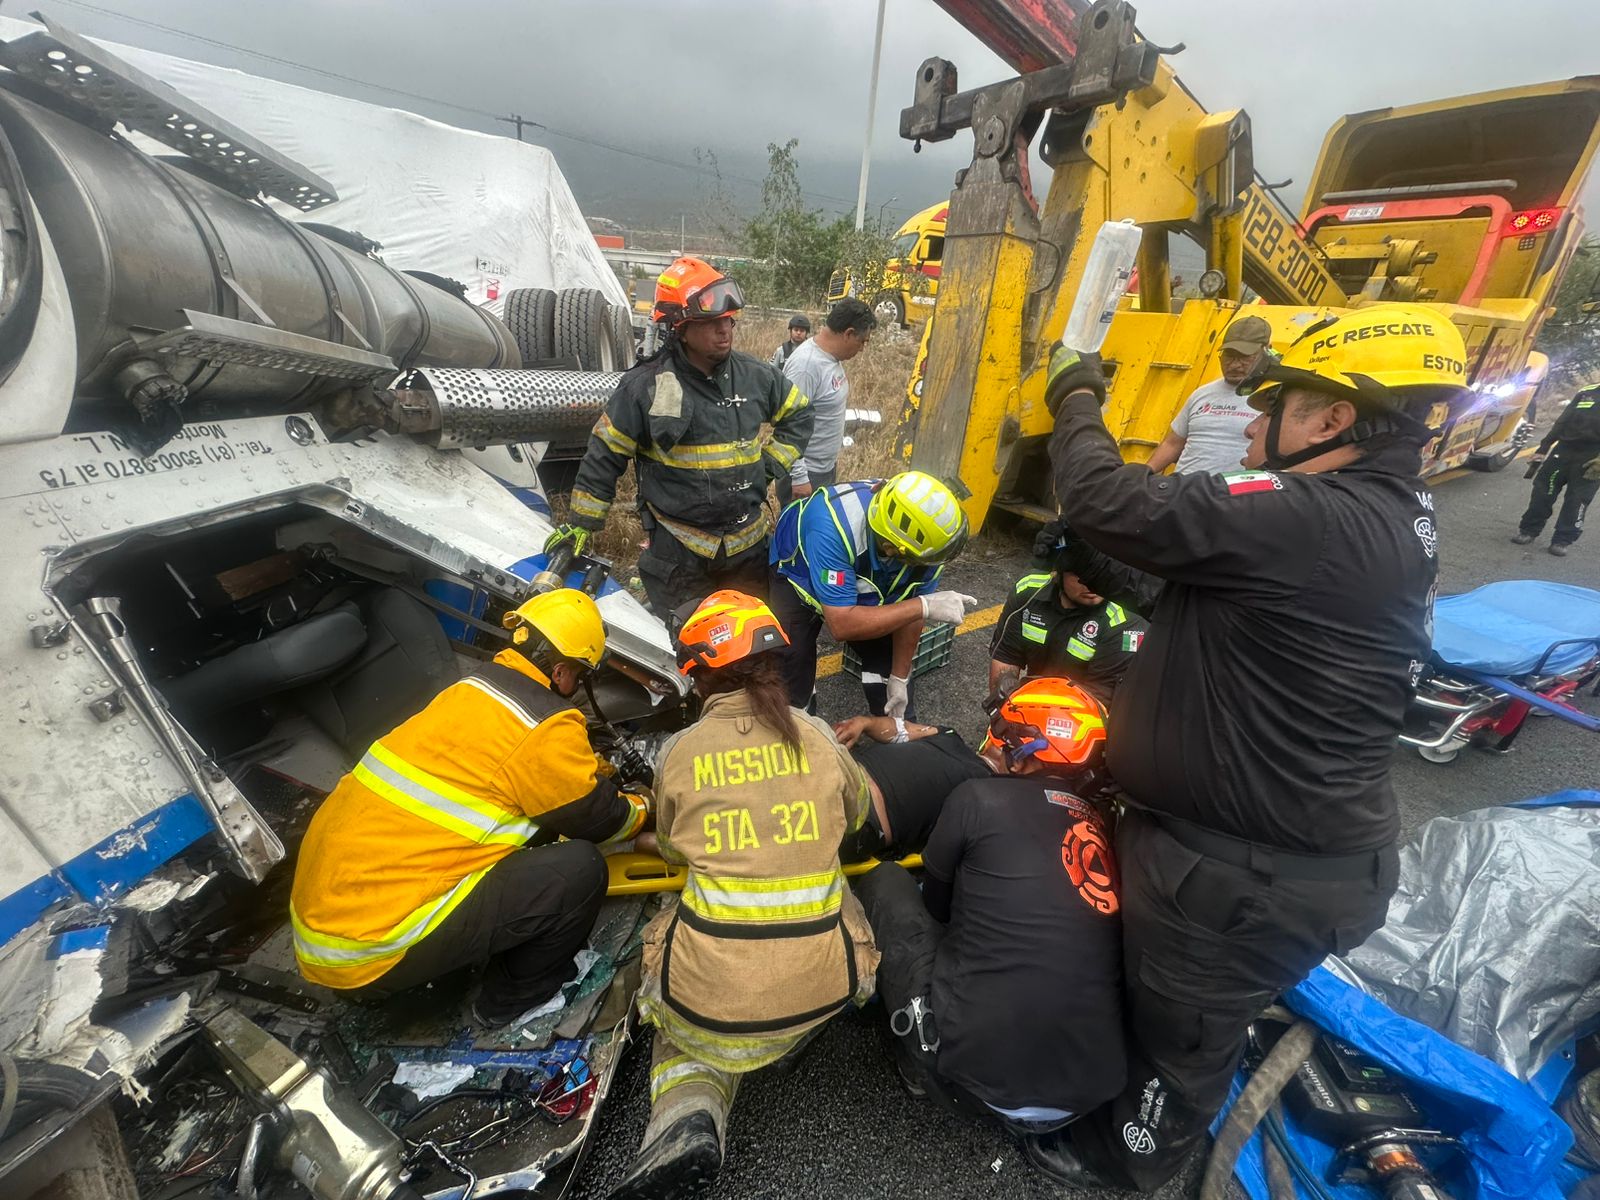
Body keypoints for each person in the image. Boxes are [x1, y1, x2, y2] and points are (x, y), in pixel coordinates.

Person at [1029, 303, 1463, 1190]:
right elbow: (1222, 616)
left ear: (1332, 420)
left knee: (1181, 1039)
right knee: (1172, 1003)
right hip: (1273, 854)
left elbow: (1108, 498)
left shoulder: (1311, 513)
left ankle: (1132, 1156)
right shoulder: (1386, 516)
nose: (1254, 427)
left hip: (1246, 880)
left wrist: (1075, 394)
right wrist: (1096, 563)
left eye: (1276, 410)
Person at [612, 591, 879, 1199]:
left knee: (675, 946)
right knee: (841, 892)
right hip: (828, 987)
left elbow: (675, 851)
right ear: (773, 662)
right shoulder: (815, 735)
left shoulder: (680, 753)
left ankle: (687, 1111)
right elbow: (859, 815)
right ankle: (787, 1038)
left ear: (697, 676)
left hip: (713, 1006)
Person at [290, 589, 651, 1025]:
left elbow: (514, 763)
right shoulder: (546, 727)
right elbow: (601, 819)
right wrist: (643, 805)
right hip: (372, 950)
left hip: (328, 929)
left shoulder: (471, 691)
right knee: (581, 869)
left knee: (534, 830)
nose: (578, 685)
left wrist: (593, 767)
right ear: (560, 671)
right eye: (580, 674)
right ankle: (507, 1003)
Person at [852, 679, 1125, 1142]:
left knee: (887, 880)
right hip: (1088, 1094)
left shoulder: (977, 798)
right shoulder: (1103, 830)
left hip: (973, 1079)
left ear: (1026, 751)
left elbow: (937, 909)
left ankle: (918, 1064)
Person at [546, 257, 813, 618]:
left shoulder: (756, 377)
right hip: (680, 555)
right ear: (680, 329)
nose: (724, 330)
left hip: (747, 550)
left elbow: (800, 415)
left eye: (728, 320)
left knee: (748, 639)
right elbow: (606, 452)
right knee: (690, 644)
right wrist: (582, 522)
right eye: (711, 322)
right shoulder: (645, 387)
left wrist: (766, 467)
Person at [768, 470, 975, 718]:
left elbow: (911, 611)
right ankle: (799, 723)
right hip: (797, 575)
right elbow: (841, 624)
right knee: (792, 672)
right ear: (891, 548)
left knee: (889, 669)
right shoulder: (831, 526)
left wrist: (899, 677)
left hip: (857, 573)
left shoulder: (930, 547)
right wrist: (923, 605)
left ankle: (894, 726)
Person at [989, 544, 1150, 709]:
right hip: (1035, 701)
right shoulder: (1028, 591)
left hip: (1088, 710)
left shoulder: (1127, 623)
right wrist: (1003, 708)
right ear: (1058, 573)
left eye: (1100, 574)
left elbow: (1101, 700)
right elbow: (1006, 657)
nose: (1092, 584)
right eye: (1081, 575)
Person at [830, 713, 994, 862]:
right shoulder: (950, 737)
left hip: (864, 816)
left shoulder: (993, 796)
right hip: (845, 767)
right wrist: (865, 723)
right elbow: (901, 729)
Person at [777, 298, 878, 507]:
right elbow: (786, 425)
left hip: (823, 469)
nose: (862, 349)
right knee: (799, 528)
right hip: (805, 476)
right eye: (862, 341)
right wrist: (799, 477)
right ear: (848, 333)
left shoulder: (831, 359)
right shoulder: (806, 367)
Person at [1144, 314, 1272, 474]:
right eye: (1229, 356)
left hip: (1234, 488)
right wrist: (1144, 473)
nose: (1234, 365)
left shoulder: (1272, 397)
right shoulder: (1202, 394)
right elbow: (1173, 444)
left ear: (1267, 351)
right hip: (1183, 485)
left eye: (1244, 358)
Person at [1513, 384, 1600, 556]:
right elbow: (1563, 421)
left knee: (1577, 501)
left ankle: (1562, 540)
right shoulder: (1586, 392)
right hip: (1563, 451)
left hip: (1591, 459)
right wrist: (1543, 448)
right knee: (1543, 491)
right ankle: (1529, 530)